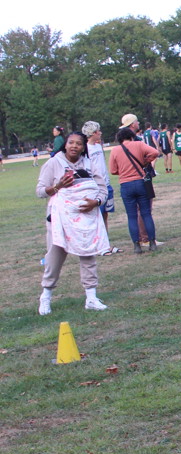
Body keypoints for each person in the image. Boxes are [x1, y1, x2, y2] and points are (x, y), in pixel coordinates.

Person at [36, 131, 110, 314]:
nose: (74, 146)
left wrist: (96, 202)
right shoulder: (54, 163)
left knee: (88, 253)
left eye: (79, 143)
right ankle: (46, 296)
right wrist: (58, 186)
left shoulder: (89, 164)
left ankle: (91, 297)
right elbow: (40, 191)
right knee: (55, 255)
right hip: (60, 218)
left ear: (84, 147)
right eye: (71, 142)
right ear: (65, 144)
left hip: (86, 217)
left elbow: (102, 190)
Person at [108, 114, 160, 253]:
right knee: (146, 213)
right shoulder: (139, 144)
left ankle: (137, 245)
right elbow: (155, 152)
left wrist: (123, 171)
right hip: (141, 182)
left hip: (126, 184)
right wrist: (145, 161)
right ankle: (152, 242)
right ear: (131, 136)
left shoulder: (115, 150)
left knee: (132, 216)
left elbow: (113, 170)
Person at [82, 120, 120, 256]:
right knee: (96, 216)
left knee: (105, 215)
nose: (100, 133)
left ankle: (106, 244)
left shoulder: (98, 147)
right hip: (95, 187)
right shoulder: (85, 149)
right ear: (93, 133)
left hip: (106, 185)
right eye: (98, 131)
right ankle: (98, 246)